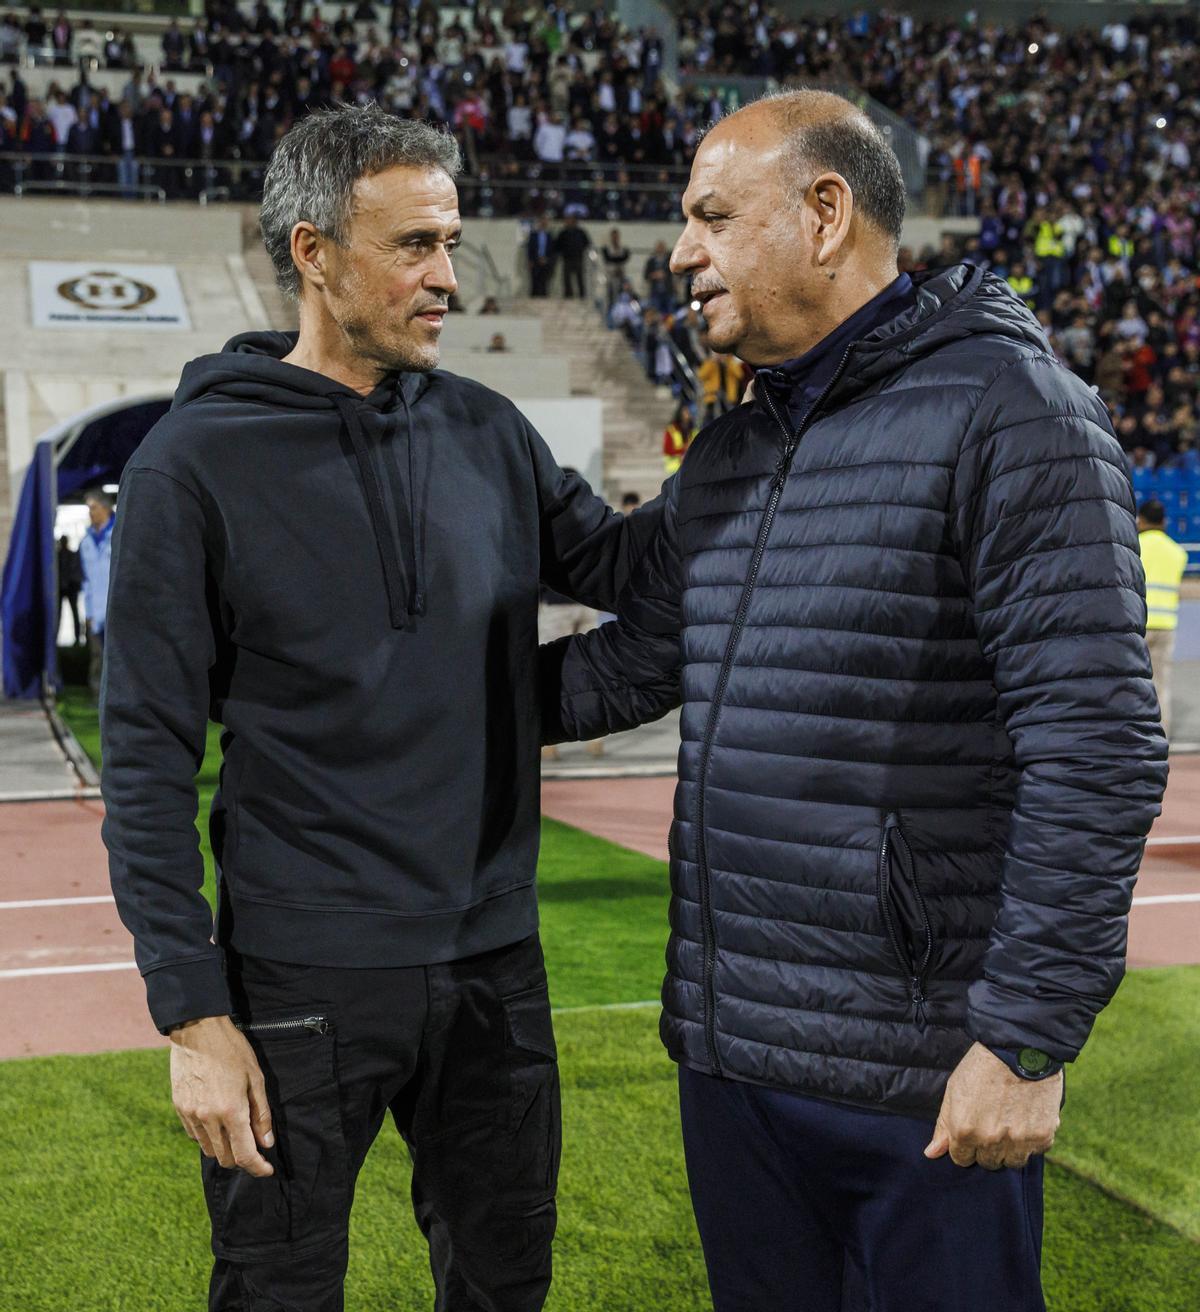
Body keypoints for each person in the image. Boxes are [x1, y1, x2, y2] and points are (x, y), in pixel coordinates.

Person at [541, 89, 1168, 1312]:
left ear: (826, 214)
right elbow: (630, 655)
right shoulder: (736, 445)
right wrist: (376, 695)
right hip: (734, 1061)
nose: (680, 253)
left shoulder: (1013, 410)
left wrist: (1027, 1037)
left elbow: (1095, 745)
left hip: (921, 1078)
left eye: (713, 216)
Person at [100, 106, 659, 1312]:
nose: (447, 277)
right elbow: (144, 756)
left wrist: (777, 443)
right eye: (413, 245)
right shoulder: (190, 465)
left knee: (508, 1281)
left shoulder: (488, 429)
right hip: (296, 977)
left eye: (451, 242)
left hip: (493, 964)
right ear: (313, 254)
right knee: (278, 1290)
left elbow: (631, 573)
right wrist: (190, 1010)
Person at [1137, 499, 1189, 737]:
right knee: (1162, 685)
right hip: (1166, 625)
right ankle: (1161, 736)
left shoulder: (1134, 546)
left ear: (1142, 520)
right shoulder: (1177, 553)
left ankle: (1136, 735)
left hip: (1138, 625)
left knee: (1134, 683)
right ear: (1164, 521)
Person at [79, 489, 114, 698]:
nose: (90, 513)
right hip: (97, 613)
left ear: (105, 507)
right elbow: (86, 582)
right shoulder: (86, 542)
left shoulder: (121, 531)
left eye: (93, 508)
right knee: (97, 657)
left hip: (118, 610)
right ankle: (97, 696)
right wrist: (89, 613)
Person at [555, 214, 591, 300]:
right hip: (567, 259)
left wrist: (580, 250)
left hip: (578, 258)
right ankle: (568, 296)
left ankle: (582, 296)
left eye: (571, 220)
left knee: (580, 278)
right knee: (566, 279)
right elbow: (557, 245)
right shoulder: (563, 233)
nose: (569, 222)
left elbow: (587, 243)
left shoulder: (581, 232)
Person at [57, 533, 82, 645]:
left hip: (70, 588)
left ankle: (77, 638)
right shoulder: (57, 556)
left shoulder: (71, 555)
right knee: (58, 615)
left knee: (74, 613)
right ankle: (55, 638)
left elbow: (76, 571)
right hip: (61, 589)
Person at [662, 401, 697, 474]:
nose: (688, 414)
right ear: (680, 413)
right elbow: (667, 450)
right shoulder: (671, 429)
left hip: (690, 468)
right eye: (686, 411)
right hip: (674, 468)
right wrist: (684, 450)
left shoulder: (694, 430)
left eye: (689, 412)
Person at [601, 227, 630, 308]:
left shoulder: (622, 248)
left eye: (616, 236)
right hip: (610, 276)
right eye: (613, 236)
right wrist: (618, 259)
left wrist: (615, 258)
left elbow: (625, 257)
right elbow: (608, 259)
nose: (615, 238)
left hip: (621, 275)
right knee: (610, 296)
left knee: (622, 295)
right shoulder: (607, 248)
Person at [526, 214, 555, 297]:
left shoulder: (549, 236)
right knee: (534, 280)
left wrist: (547, 259)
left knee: (544, 280)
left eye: (545, 221)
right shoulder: (533, 235)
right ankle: (533, 296)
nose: (543, 223)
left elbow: (551, 250)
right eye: (542, 221)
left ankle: (544, 296)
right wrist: (530, 260)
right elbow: (530, 248)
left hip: (545, 260)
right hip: (535, 260)